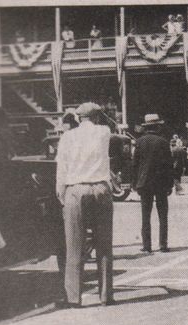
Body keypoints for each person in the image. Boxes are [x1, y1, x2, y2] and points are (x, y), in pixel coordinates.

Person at [55, 102, 113, 308]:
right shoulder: (104, 131)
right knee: (104, 244)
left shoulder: (67, 137)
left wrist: (62, 193)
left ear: (79, 118)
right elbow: (105, 129)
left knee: (74, 246)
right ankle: (106, 295)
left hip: (76, 189)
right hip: (100, 188)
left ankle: (74, 298)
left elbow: (61, 167)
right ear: (97, 117)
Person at [132, 114, 174, 252]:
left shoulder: (139, 142)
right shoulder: (163, 142)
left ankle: (146, 245)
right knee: (162, 215)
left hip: (144, 183)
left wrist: (134, 183)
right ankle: (163, 244)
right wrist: (170, 184)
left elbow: (135, 165)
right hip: (161, 183)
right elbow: (169, 165)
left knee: (145, 215)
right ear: (157, 126)